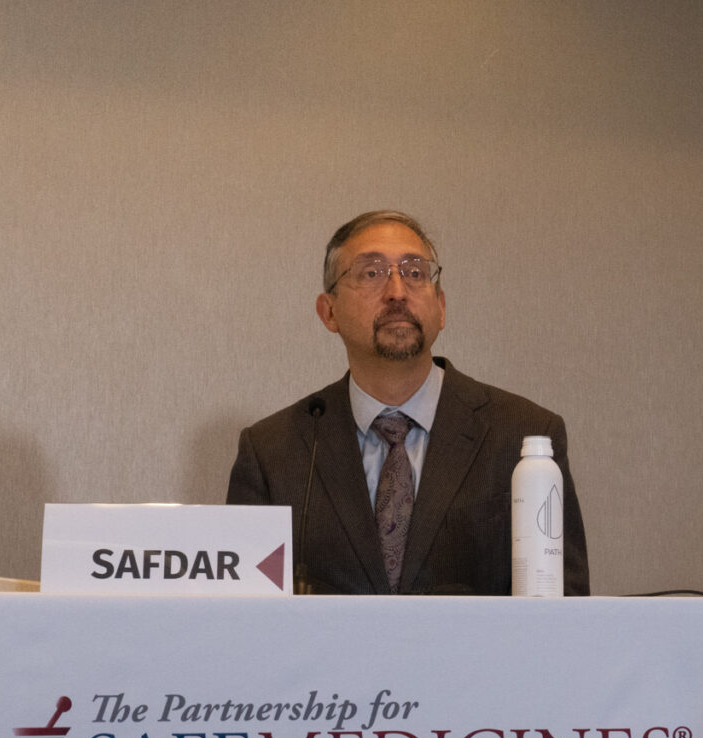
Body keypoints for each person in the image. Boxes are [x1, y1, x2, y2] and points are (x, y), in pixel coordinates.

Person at [226, 210, 589, 594]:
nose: (398, 292)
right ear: (328, 312)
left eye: (415, 273)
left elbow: (568, 610)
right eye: (371, 273)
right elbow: (243, 620)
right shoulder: (273, 452)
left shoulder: (521, 435)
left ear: (441, 307)